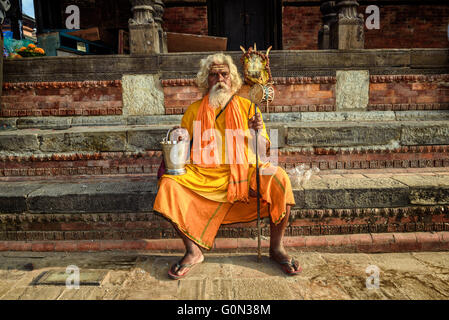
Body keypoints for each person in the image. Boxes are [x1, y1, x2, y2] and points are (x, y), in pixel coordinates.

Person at [154, 53, 301, 279]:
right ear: (206, 80)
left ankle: (276, 247)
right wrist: (179, 135)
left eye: (224, 74)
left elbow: (263, 150)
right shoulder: (193, 111)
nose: (219, 79)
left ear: (232, 79)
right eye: (213, 75)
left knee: (279, 177)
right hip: (204, 173)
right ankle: (193, 252)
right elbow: (182, 149)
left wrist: (257, 131)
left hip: (244, 169)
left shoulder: (248, 107)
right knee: (168, 185)